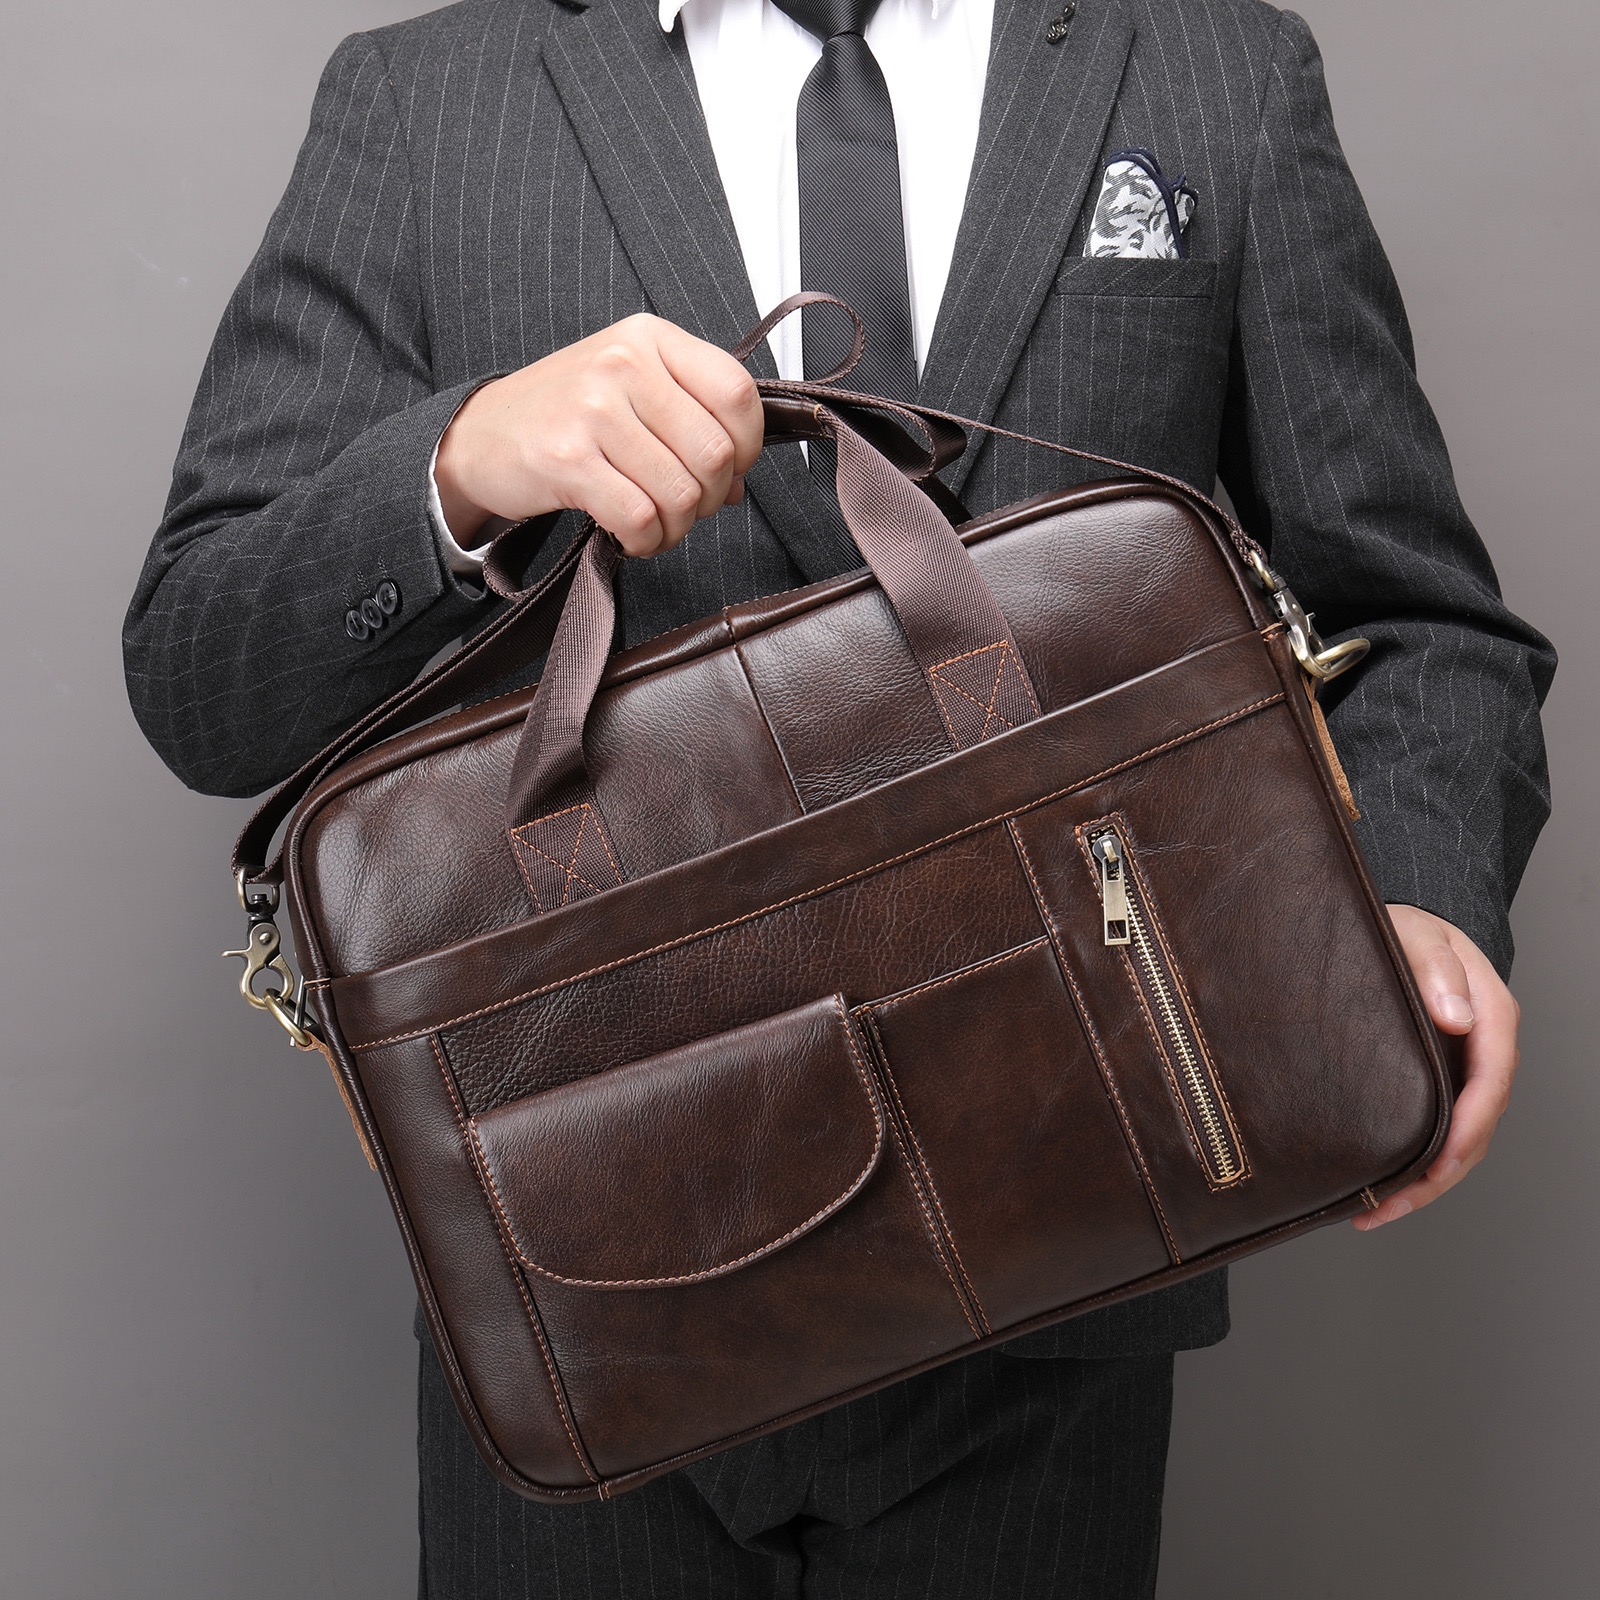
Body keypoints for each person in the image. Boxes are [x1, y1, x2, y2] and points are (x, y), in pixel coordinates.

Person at [123, 0, 1554, 1593]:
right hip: (595, 1292)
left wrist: (1421, 891)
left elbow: (1417, 617)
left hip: (1076, 1246)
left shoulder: (1217, 70)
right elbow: (199, 673)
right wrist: (455, 469)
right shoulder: (423, 100)